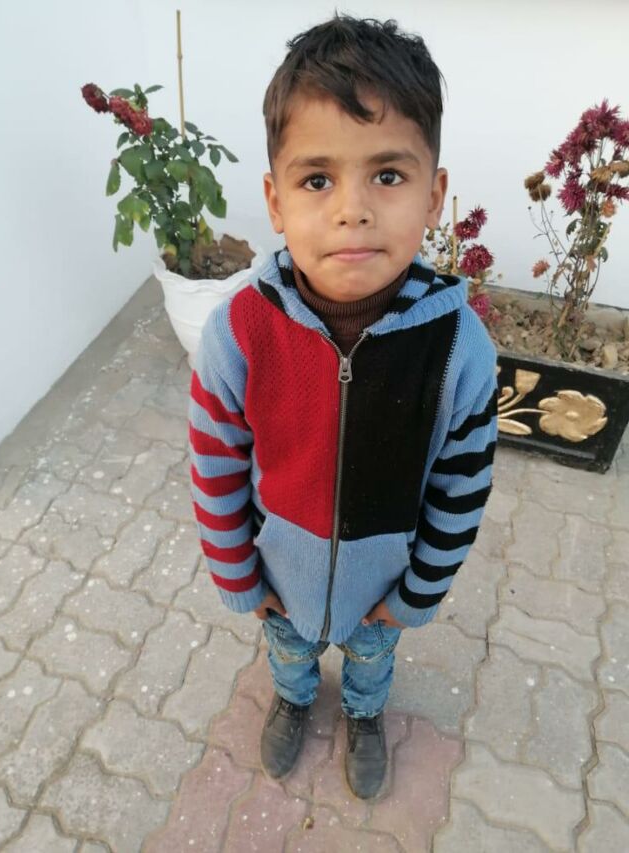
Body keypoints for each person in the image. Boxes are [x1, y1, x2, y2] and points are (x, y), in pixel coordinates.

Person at [188, 13, 498, 799]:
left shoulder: (459, 350)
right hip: (280, 579)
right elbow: (213, 463)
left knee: (370, 659)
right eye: (317, 179)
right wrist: (239, 574)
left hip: (382, 589)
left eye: (387, 176)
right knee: (291, 654)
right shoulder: (238, 332)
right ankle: (294, 697)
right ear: (275, 200)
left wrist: (415, 595)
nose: (352, 209)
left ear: (434, 195)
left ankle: (363, 711)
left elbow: (462, 488)